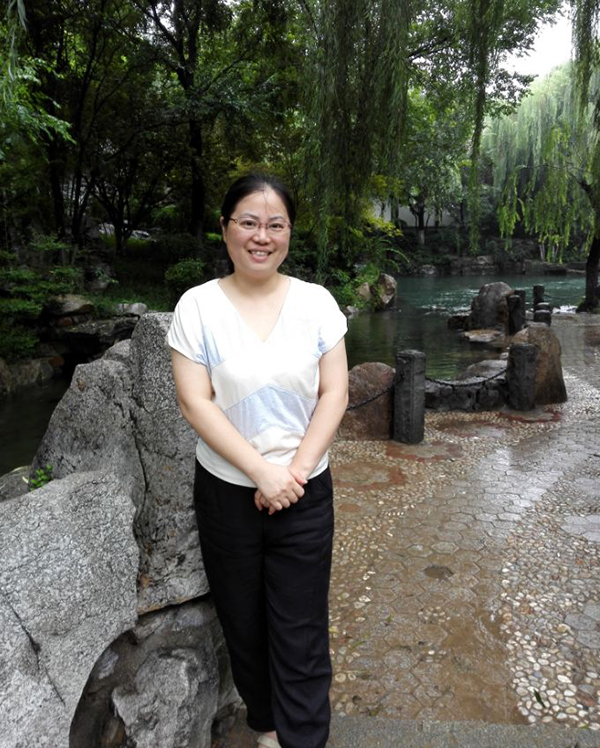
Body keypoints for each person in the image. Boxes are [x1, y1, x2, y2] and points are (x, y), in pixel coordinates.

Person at [167, 174, 348, 748]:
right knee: (242, 622)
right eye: (248, 222)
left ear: (289, 232)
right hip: (226, 492)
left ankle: (305, 739)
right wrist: (262, 472)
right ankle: (268, 729)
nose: (261, 236)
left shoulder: (317, 304)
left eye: (275, 225)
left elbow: (335, 393)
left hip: (304, 490)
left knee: (301, 626)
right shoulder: (197, 307)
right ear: (225, 229)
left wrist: (293, 472)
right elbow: (195, 402)